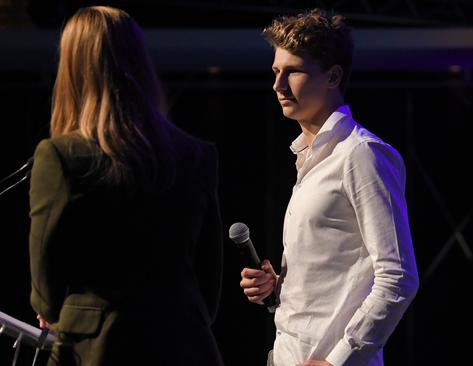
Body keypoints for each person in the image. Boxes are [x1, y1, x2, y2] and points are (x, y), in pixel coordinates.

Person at [29, 6, 223, 365]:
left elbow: (46, 286)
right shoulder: (197, 155)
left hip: (96, 349)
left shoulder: (61, 156)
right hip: (185, 344)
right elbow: (208, 282)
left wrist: (52, 307)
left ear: (73, 67)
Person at [238, 9, 418, 366]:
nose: (278, 85)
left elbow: (398, 277)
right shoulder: (309, 156)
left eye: (293, 71)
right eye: (276, 72)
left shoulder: (362, 154)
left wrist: (339, 359)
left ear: (333, 76)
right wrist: (280, 287)